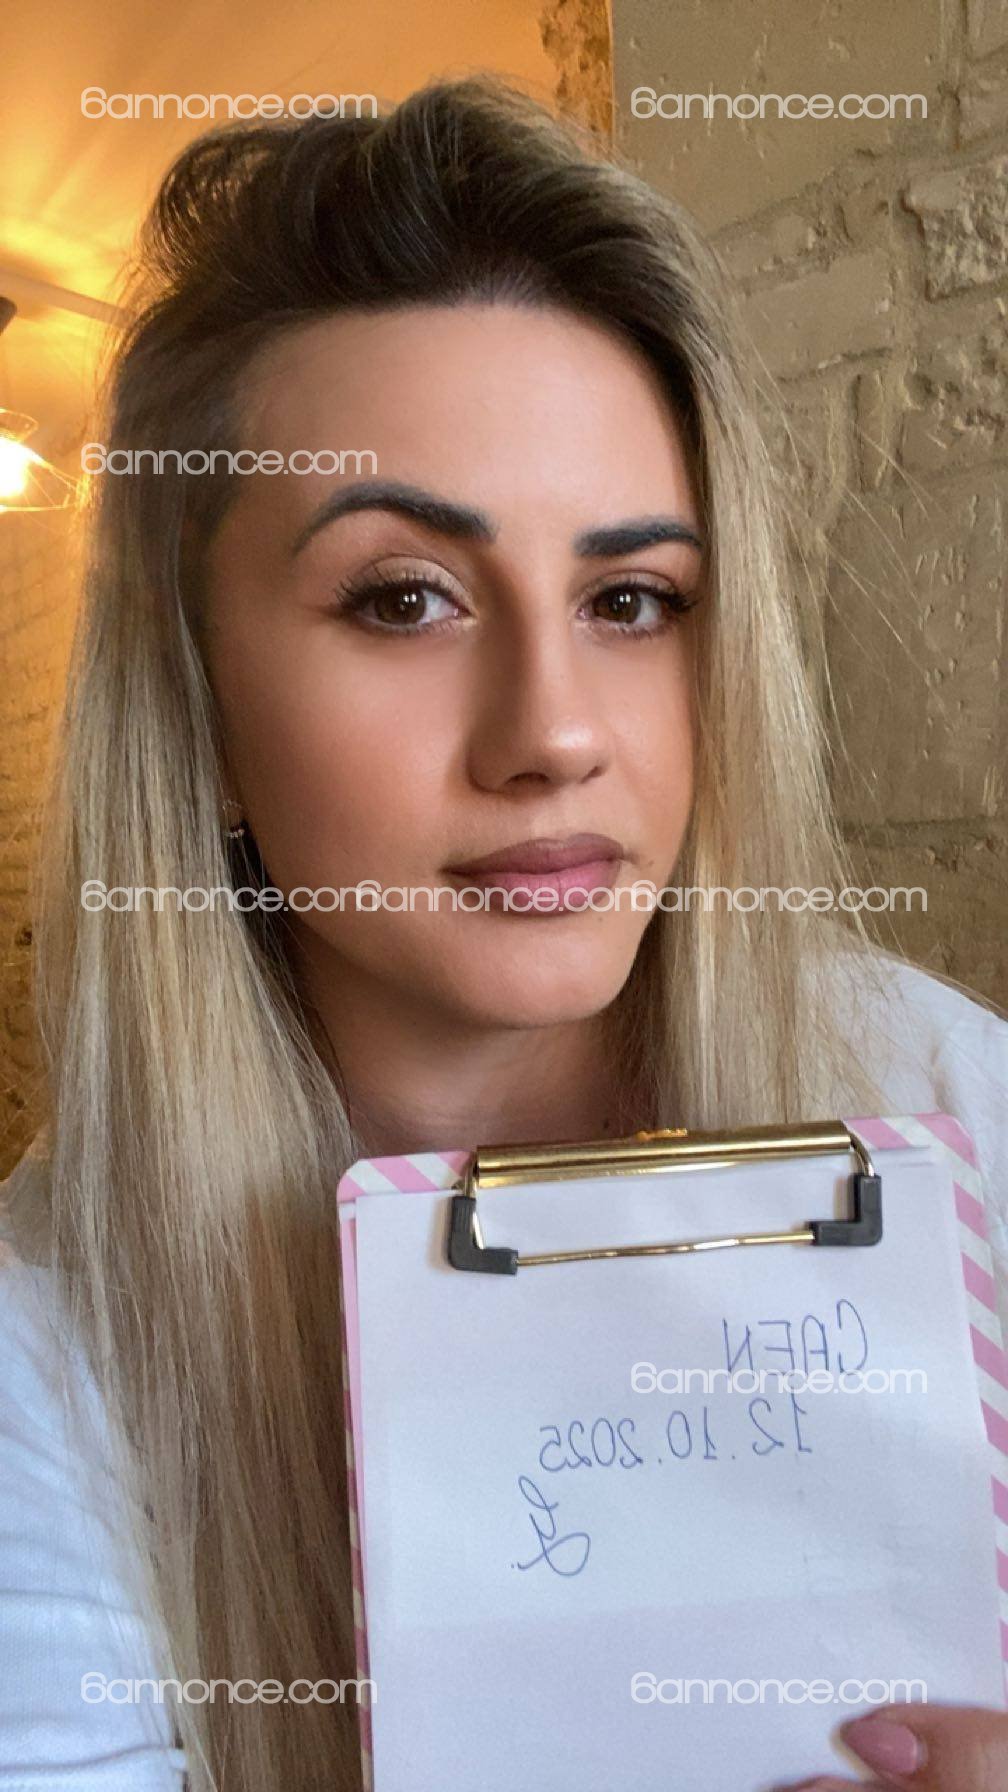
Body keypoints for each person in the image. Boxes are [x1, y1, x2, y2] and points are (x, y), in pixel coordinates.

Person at [0, 75, 1005, 1792]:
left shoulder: (938, 1094)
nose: (554, 731)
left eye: (631, 600)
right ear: (198, 703)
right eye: (406, 598)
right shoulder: (50, 1352)